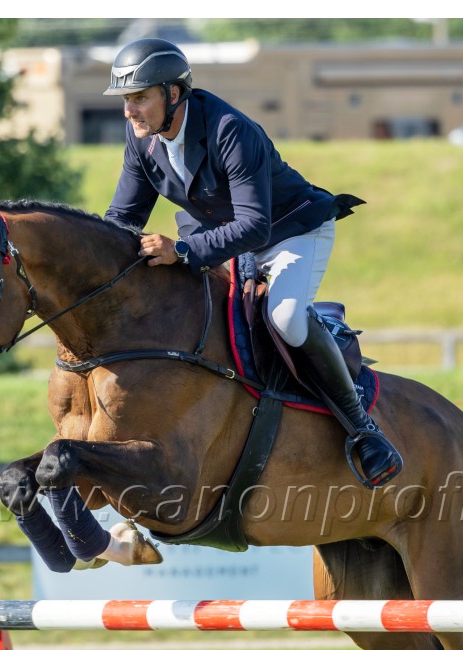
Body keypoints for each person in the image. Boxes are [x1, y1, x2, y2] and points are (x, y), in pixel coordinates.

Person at [103, 38, 402, 489]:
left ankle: (363, 429)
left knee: (284, 319)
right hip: (225, 241)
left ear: (173, 94)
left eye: (140, 97)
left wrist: (183, 252)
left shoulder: (228, 130)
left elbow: (255, 227)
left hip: (290, 231)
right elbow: (123, 219)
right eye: (126, 100)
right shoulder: (142, 138)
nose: (130, 111)